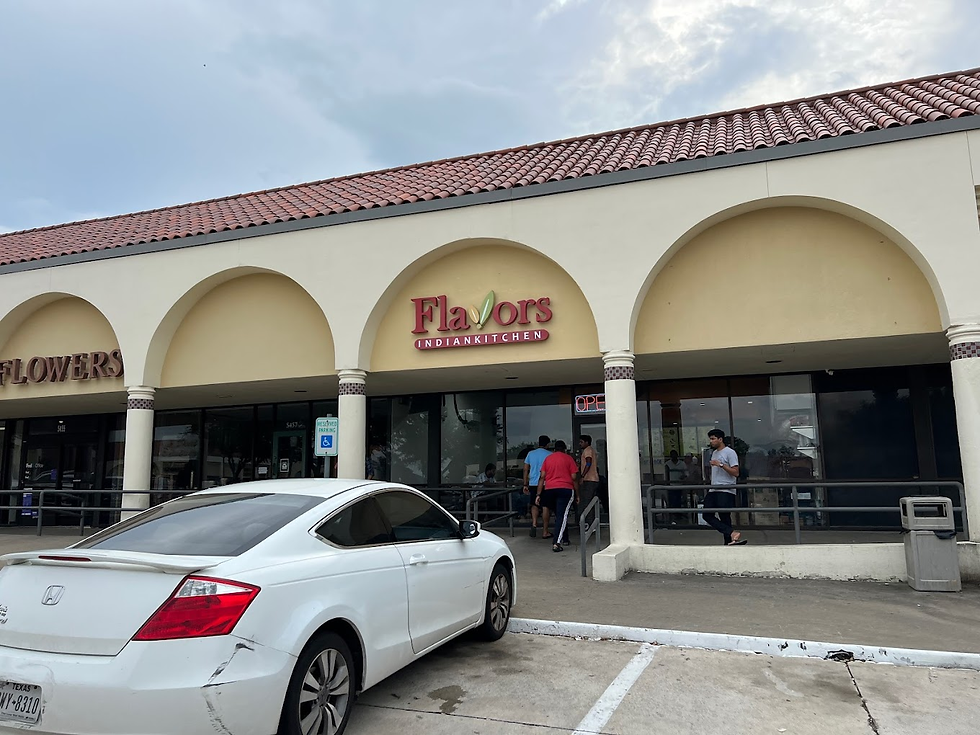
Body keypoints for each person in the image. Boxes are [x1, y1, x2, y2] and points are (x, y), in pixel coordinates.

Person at [702, 429, 746, 545]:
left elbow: (736, 472)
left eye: (713, 439)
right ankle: (732, 534)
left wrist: (720, 465)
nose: (711, 441)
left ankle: (729, 541)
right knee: (706, 514)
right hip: (714, 489)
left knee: (724, 516)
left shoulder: (730, 452)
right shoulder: (714, 453)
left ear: (720, 439)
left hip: (726, 489)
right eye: (710, 439)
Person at [537, 440, 579, 552]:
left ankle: (565, 538)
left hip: (549, 490)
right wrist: (577, 493)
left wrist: (538, 494)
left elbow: (542, 477)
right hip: (565, 489)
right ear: (564, 449)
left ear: (554, 449)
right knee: (562, 515)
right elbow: (574, 477)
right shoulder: (568, 459)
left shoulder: (548, 459)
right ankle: (557, 542)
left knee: (559, 515)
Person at [523, 435, 552, 537]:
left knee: (534, 505)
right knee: (545, 506)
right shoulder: (550, 455)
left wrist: (525, 483)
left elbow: (526, 469)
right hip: (546, 483)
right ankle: (545, 531)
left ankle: (534, 523)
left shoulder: (531, 454)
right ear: (548, 444)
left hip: (533, 483)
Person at [578, 435, 600, 518]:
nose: (580, 444)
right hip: (592, 479)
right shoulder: (589, 450)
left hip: (590, 479)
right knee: (588, 501)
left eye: (581, 442)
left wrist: (582, 476)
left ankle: (589, 522)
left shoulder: (588, 450)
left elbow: (588, 462)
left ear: (587, 442)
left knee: (587, 502)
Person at [664, 449, 687, 523]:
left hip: (680, 485)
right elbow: (665, 475)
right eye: (672, 455)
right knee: (671, 501)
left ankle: (678, 515)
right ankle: (672, 515)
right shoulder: (667, 464)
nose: (673, 456)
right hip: (671, 486)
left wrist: (683, 476)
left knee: (679, 501)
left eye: (675, 455)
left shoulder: (682, 464)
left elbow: (686, 473)